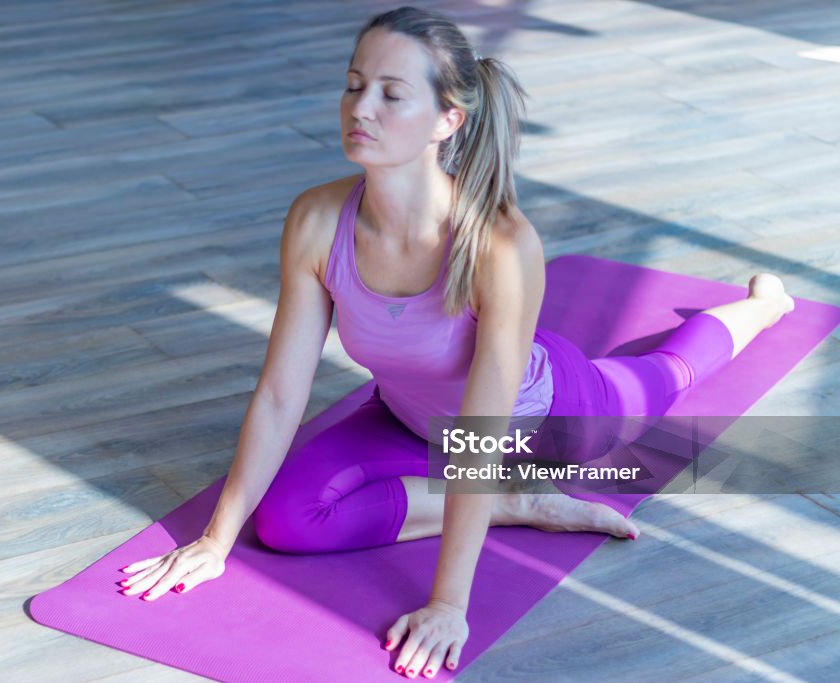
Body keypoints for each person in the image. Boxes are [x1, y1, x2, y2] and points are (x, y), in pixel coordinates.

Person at [117, 6, 795, 679]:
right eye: (355, 84)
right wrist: (214, 541)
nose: (363, 107)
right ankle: (518, 502)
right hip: (407, 418)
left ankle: (764, 307)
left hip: (544, 419)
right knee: (288, 520)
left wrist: (449, 602)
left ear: (449, 120)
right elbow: (279, 393)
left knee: (664, 375)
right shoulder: (318, 220)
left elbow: (482, 429)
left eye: (392, 93)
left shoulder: (500, 242)